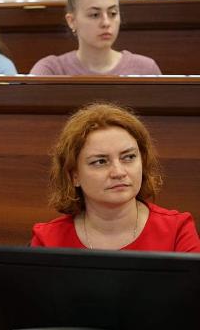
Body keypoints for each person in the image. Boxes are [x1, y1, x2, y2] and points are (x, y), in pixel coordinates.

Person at [31, 103, 199, 251]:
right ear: (74, 175)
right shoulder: (48, 239)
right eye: (100, 161)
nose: (118, 172)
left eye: (129, 157)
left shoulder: (177, 230)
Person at [30, 0, 161, 75]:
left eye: (113, 13)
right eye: (94, 15)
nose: (106, 23)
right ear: (72, 21)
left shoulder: (146, 69)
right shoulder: (51, 70)